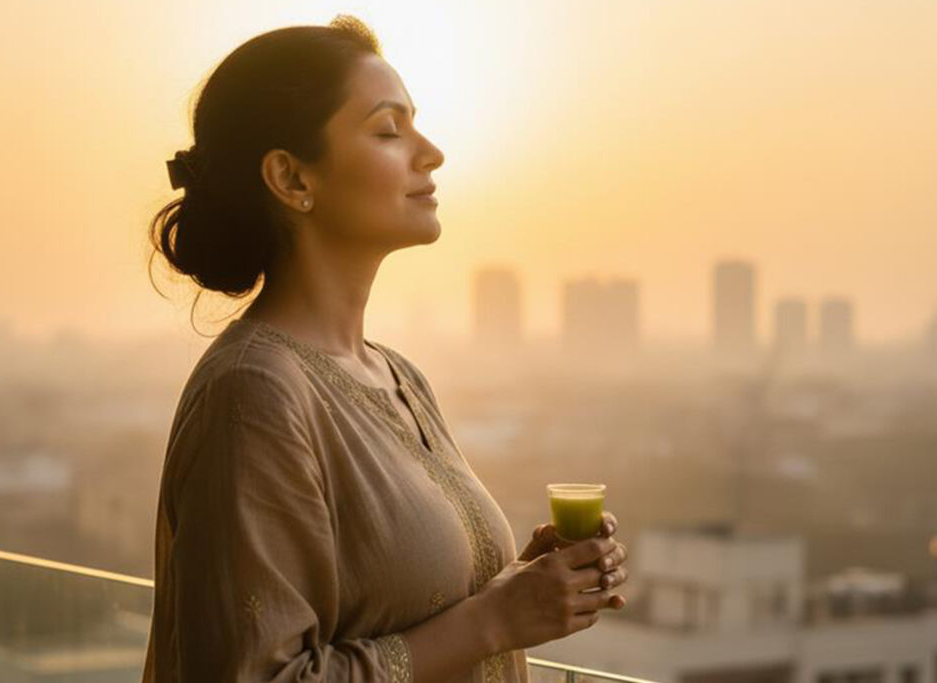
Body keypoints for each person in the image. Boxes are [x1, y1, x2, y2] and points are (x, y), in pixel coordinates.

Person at [142, 15, 629, 683]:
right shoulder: (253, 393)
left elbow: (401, 609)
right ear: (291, 177)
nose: (430, 153)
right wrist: (495, 620)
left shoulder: (397, 375)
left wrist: (524, 581)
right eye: (387, 131)